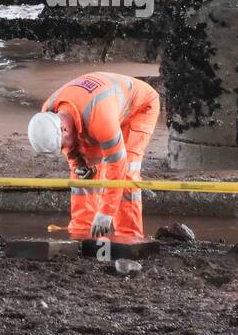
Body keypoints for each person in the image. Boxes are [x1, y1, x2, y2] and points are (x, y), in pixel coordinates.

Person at [28, 71, 160, 241]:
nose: (64, 150)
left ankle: (129, 238)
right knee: (84, 172)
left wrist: (106, 213)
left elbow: (117, 164)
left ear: (64, 130)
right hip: (99, 107)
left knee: (126, 172)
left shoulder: (100, 119)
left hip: (139, 107)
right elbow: (71, 147)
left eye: (62, 146)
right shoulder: (49, 111)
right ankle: (82, 232)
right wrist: (77, 162)